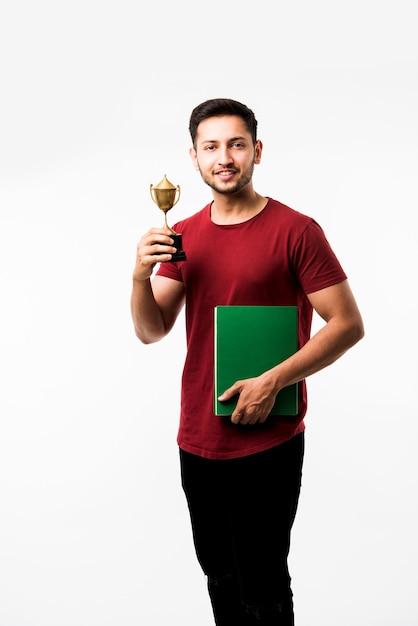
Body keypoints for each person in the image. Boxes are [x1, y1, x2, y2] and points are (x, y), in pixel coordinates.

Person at [130, 98, 364, 625]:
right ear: (194, 158)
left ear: (256, 151)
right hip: (198, 434)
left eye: (236, 144)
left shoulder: (297, 230)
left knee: (264, 582)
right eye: (211, 147)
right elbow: (151, 331)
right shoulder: (182, 235)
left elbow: (348, 324)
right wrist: (138, 277)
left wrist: (273, 380)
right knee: (219, 576)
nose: (225, 157)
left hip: (270, 436)